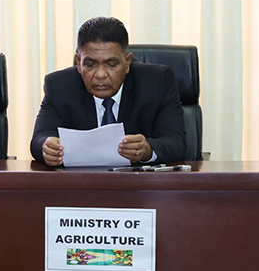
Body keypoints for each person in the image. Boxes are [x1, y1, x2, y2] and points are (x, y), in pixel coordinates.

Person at [31, 16, 186, 166]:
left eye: (111, 64)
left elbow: (176, 142)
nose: (100, 74)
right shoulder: (58, 85)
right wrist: (46, 147)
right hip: (81, 185)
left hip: (139, 186)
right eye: (90, 64)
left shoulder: (157, 82)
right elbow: (40, 137)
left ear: (127, 63)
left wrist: (147, 149)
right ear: (79, 62)